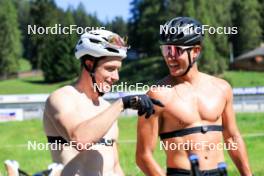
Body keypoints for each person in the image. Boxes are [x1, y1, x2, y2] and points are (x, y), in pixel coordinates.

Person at [136, 17, 253, 176]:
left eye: (176, 50)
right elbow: (143, 156)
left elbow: (232, 138)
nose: (169, 57)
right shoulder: (157, 95)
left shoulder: (222, 88)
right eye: (166, 50)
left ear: (196, 51)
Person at [43, 29, 163, 176]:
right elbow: (80, 140)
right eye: (110, 69)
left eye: (118, 70)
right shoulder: (61, 98)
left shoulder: (106, 108)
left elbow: (115, 166)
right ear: (89, 64)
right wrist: (122, 104)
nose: (116, 76)